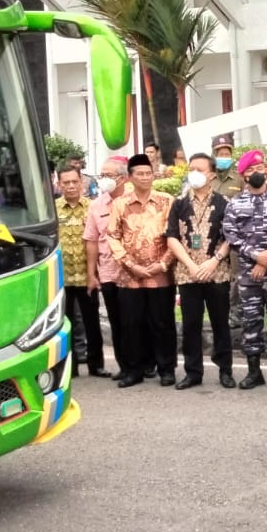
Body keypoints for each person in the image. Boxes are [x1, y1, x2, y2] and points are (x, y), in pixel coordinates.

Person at [108, 153, 178, 387]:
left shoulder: (166, 201)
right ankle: (133, 371)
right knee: (131, 324)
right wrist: (131, 265)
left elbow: (174, 235)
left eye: (148, 173)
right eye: (140, 174)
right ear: (130, 177)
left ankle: (166, 369)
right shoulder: (120, 204)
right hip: (129, 276)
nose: (145, 178)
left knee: (162, 323)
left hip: (161, 275)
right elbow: (113, 236)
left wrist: (163, 263)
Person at [166, 153, 235, 390]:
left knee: (220, 323)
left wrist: (213, 261)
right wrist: (192, 266)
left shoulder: (225, 202)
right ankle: (193, 372)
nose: (194, 173)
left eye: (200, 169)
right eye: (191, 168)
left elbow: (230, 237)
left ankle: (226, 370)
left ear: (212, 175)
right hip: (189, 273)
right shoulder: (179, 203)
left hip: (217, 272)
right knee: (191, 324)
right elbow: (172, 238)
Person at [223, 149, 267, 389]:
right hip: (249, 274)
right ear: (243, 176)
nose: (256, 173)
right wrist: (257, 257)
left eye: (260, 169)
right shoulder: (235, 203)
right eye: (250, 170)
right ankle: (254, 371)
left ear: (266, 170)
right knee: (251, 322)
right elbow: (232, 236)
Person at [83, 155, 129, 379]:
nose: (104, 180)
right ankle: (125, 365)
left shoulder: (132, 199)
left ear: (122, 178)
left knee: (139, 320)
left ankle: (147, 363)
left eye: (108, 176)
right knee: (117, 321)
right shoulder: (96, 205)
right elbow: (91, 240)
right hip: (109, 272)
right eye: (102, 175)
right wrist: (92, 274)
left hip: (134, 272)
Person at [55, 165, 102, 378]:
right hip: (61, 278)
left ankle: (96, 365)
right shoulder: (53, 209)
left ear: (81, 182)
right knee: (65, 325)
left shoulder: (92, 207)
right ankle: (70, 368)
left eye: (75, 181)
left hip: (87, 275)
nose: (71, 186)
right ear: (59, 184)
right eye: (66, 182)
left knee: (92, 322)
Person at [211, 134, 243, 199]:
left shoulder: (239, 178)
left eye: (227, 154)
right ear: (214, 156)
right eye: (221, 154)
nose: (224, 157)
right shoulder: (208, 178)